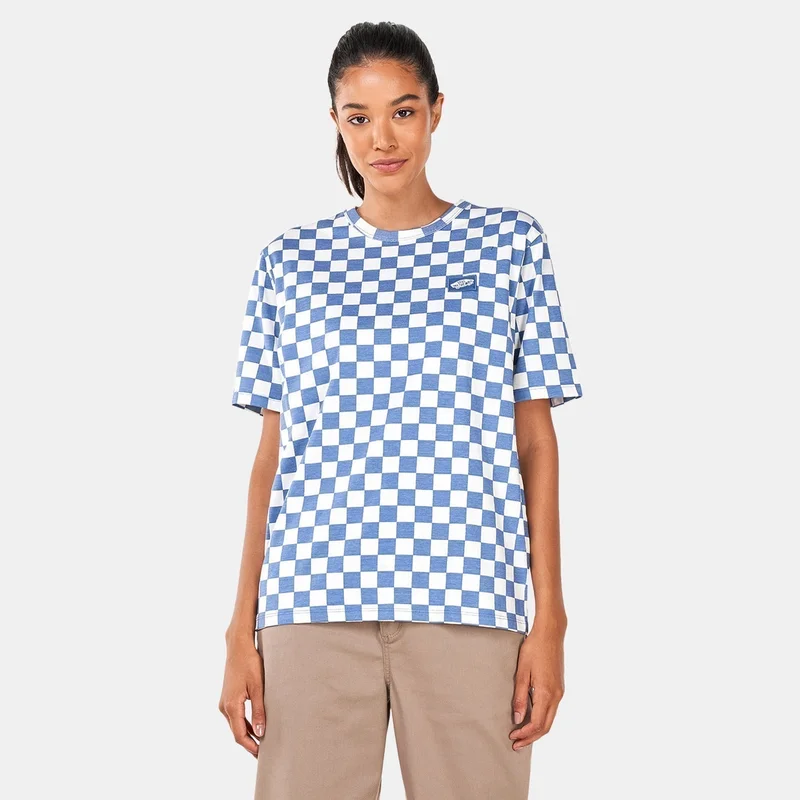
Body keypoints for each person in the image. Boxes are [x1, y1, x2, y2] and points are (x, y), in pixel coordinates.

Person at [219, 20, 584, 800]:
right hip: (310, 600)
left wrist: (550, 620)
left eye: (404, 111)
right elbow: (270, 461)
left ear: (437, 110)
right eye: (359, 117)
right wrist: (238, 630)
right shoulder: (289, 262)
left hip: (469, 597)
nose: (382, 138)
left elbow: (536, 446)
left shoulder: (509, 244)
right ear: (335, 122)